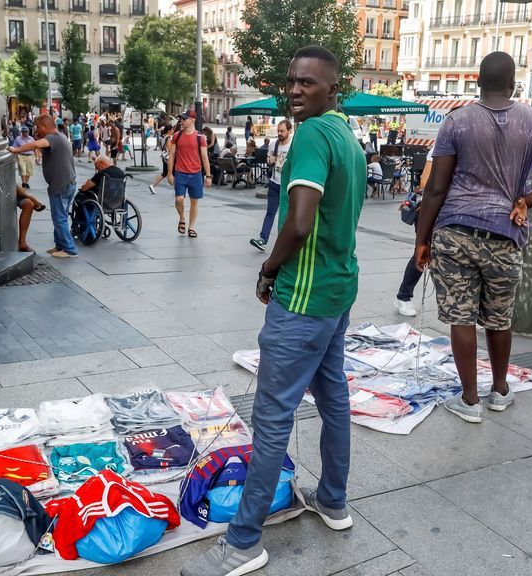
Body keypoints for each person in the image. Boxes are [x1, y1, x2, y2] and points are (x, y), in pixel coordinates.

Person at [182, 46, 366, 576]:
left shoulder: (310, 135)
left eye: (307, 83)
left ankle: (243, 542)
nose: (295, 90)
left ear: (333, 89)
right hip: (337, 292)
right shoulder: (346, 136)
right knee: (333, 396)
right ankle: (333, 500)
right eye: (291, 81)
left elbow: (301, 219)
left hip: (304, 299)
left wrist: (269, 269)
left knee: (271, 417)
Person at [415, 52, 532, 423]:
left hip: (455, 232)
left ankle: (470, 400)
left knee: (461, 318)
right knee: (499, 317)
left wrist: (421, 239)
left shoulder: (456, 121)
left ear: (477, 80)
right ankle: (500, 390)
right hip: (506, 235)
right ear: (513, 84)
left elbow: (436, 189)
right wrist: (527, 199)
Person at [8, 114, 79, 258]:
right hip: (68, 183)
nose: (37, 130)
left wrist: (16, 150)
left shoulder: (52, 138)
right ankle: (60, 245)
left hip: (60, 185)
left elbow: (36, 144)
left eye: (38, 127)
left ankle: (69, 249)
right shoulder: (60, 136)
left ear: (46, 126)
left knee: (59, 218)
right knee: (61, 216)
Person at [394, 156, 434, 317]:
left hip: (453, 211)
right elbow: (425, 182)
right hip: (431, 210)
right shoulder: (442, 143)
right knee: (424, 253)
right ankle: (403, 297)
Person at [167, 110, 211, 238]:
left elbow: (204, 157)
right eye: (181, 118)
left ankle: (191, 227)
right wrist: (170, 173)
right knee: (179, 199)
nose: (182, 121)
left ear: (192, 120)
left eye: (184, 119)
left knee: (194, 202)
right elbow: (171, 155)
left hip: (196, 174)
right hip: (180, 173)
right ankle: (182, 217)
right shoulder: (177, 136)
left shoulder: (200, 137)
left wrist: (208, 175)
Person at [250, 119, 292, 251]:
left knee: (286, 215)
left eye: (282, 131)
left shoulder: (293, 146)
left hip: (288, 185)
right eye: (278, 130)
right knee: (270, 212)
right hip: (274, 183)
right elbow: (268, 160)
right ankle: (263, 239)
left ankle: (285, 243)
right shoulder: (274, 144)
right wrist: (270, 160)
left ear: (289, 131)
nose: (279, 133)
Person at [15, 185, 45, 253]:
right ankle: (34, 200)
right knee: (17, 187)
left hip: (8, 189)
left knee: (28, 204)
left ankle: (22, 243)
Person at [149, 125, 172, 195]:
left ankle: (153, 185)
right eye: (171, 130)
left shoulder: (163, 137)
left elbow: (161, 146)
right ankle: (177, 189)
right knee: (173, 172)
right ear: (169, 131)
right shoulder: (168, 138)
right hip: (168, 157)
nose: (172, 131)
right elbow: (170, 149)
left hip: (163, 156)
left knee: (165, 173)